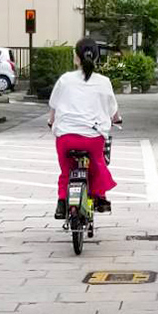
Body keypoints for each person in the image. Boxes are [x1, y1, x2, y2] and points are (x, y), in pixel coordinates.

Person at [48, 38, 120, 219]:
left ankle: (62, 202)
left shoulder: (65, 79)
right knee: (97, 163)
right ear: (96, 57)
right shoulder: (104, 82)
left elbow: (53, 108)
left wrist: (51, 122)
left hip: (66, 137)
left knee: (66, 171)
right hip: (93, 138)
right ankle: (100, 197)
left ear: (76, 58)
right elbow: (113, 111)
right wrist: (117, 120)